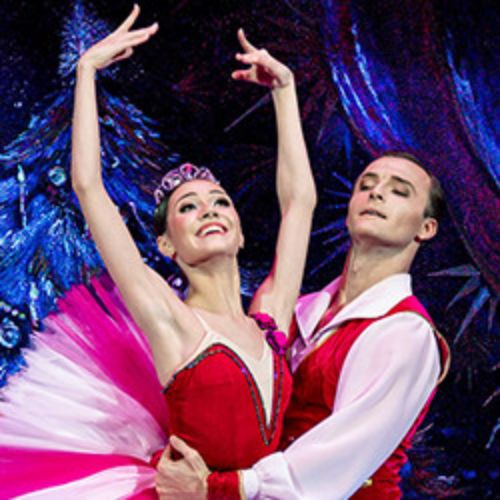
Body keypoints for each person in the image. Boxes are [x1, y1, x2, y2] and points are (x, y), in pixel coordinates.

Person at [0, 4, 316, 498]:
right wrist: (87, 72)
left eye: (219, 202)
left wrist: (285, 91)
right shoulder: (171, 319)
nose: (209, 211)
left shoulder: (270, 319)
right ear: (167, 244)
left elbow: (299, 203)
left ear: (240, 232)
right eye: (188, 207)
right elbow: (89, 187)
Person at [155, 151, 450, 499]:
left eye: (399, 191)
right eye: (366, 186)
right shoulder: (303, 311)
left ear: (426, 228)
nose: (377, 193)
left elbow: (339, 457)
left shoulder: (405, 333)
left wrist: (218, 487)